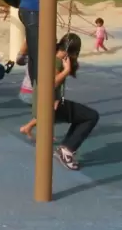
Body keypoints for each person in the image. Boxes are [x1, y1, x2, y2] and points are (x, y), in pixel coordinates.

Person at [13, 0, 82, 129]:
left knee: (39, 59)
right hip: (35, 8)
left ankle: (42, 105)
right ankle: (43, 106)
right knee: (41, 61)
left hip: (33, 8)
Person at [19, 33, 99, 170]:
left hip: (46, 102)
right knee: (91, 116)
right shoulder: (56, 61)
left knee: (81, 117)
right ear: (74, 51)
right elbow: (51, 83)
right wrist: (67, 70)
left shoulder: (54, 56)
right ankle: (67, 150)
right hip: (47, 104)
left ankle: (65, 148)